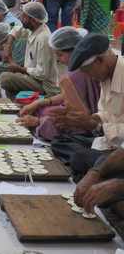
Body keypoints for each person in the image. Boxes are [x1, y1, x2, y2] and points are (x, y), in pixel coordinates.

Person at [55, 34, 124, 213]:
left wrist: (98, 173)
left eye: (88, 71)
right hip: (112, 146)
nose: (90, 78)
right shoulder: (106, 76)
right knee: (69, 148)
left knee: (91, 163)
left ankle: (108, 190)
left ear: (100, 60)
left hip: (117, 149)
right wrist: (92, 121)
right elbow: (105, 113)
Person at [17, 27, 100, 145]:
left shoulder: (79, 73)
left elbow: (78, 115)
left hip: (87, 122)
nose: (58, 59)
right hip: (79, 112)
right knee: (41, 109)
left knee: (49, 120)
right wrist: (39, 102)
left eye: (60, 55)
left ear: (74, 51)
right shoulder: (76, 69)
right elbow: (66, 96)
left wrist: (38, 122)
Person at [0, 2, 60, 99]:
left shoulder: (43, 38)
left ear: (33, 20)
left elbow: (42, 73)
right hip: (32, 77)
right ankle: (17, 105)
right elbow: (17, 30)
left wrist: (20, 69)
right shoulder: (34, 29)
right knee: (9, 82)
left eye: (24, 17)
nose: (21, 19)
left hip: (44, 85)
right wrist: (8, 47)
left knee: (5, 78)